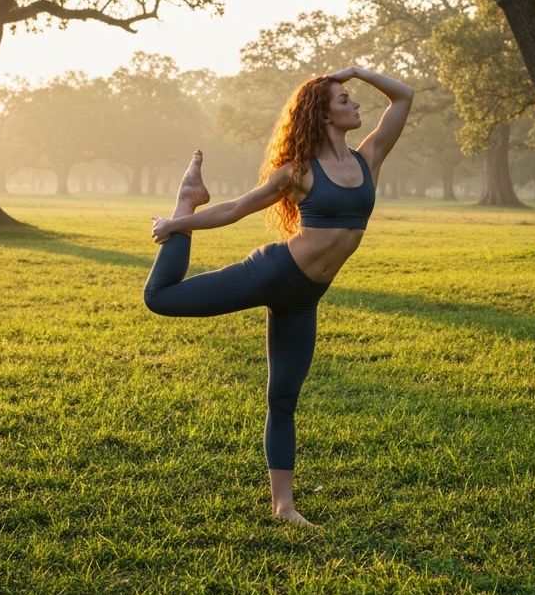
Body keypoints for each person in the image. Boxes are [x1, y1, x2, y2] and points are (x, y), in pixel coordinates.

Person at [144, 66, 413, 526]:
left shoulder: (369, 160)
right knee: (161, 297)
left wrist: (355, 72)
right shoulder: (299, 171)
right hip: (273, 272)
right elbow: (234, 209)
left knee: (284, 397)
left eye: (352, 97)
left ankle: (283, 506)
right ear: (324, 114)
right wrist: (178, 223)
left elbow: (403, 97)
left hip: (305, 296)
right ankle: (186, 197)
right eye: (344, 99)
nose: (355, 104)